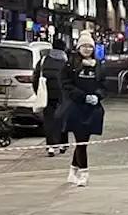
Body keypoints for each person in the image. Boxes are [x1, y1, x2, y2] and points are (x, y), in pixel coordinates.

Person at [58, 31, 106, 187]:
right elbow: (65, 84)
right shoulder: (70, 64)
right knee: (81, 141)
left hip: (92, 109)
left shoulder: (98, 65)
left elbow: (103, 85)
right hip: (76, 108)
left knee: (83, 140)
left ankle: (72, 171)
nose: (87, 49)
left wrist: (97, 96)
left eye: (90, 46)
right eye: (84, 46)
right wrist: (82, 96)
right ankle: (84, 173)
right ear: (78, 47)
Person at [33, 39, 69, 157]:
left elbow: (36, 78)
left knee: (49, 120)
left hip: (47, 95)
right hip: (63, 95)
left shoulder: (43, 61)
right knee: (62, 119)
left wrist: (38, 92)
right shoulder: (66, 62)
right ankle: (63, 144)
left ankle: (50, 146)